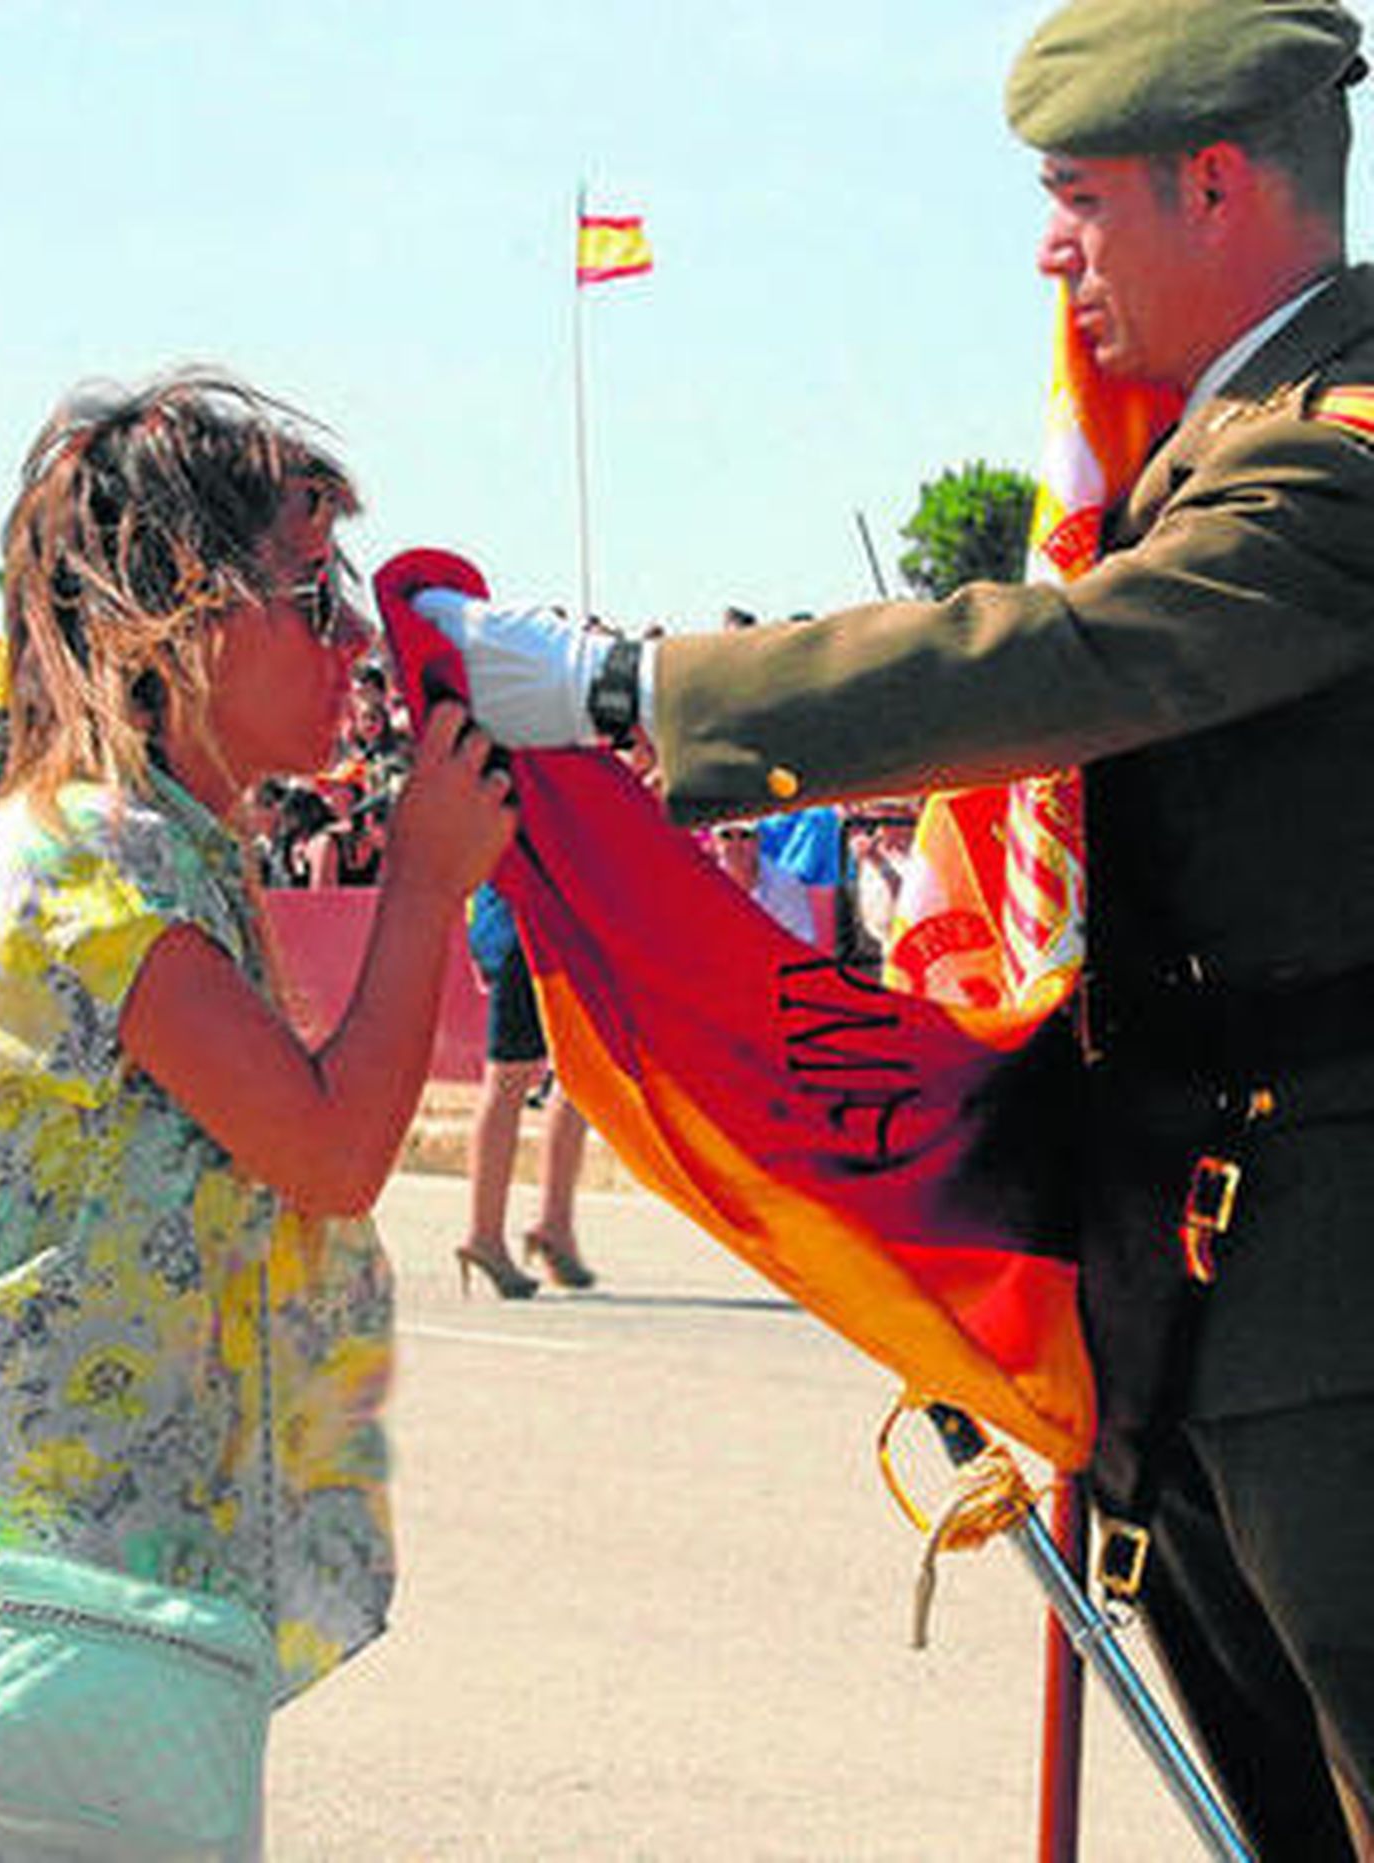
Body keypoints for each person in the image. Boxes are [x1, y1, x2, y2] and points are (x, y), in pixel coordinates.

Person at [413, 2, 1374, 1852]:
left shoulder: (1334, 452)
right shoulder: (1218, 446)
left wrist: (630, 687)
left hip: (1327, 1303)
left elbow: (1079, 660)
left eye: (1077, 197)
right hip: (1203, 1290)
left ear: (1217, 183)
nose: (1051, 248)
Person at [0, 369, 517, 1862]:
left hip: (103, 1641)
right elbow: (334, 1151)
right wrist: (419, 888)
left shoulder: (164, 849)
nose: (347, 636)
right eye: (308, 589)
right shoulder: (97, 855)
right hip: (35, 1651)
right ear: (176, 609)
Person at [458, 880, 594, 1297]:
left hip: (531, 921)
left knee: (580, 1073)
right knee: (514, 1077)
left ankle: (552, 1223)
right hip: (533, 922)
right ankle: (488, 1234)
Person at [709, 818, 818, 944]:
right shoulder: (703, 889)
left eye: (745, 835)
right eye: (726, 836)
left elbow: (803, 941)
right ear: (715, 843)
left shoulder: (787, 885)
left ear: (757, 840)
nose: (736, 844)